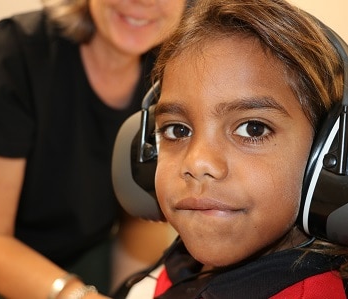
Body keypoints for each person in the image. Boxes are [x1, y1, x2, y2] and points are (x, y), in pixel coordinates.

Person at [0, 0, 190, 298]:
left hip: (80, 249)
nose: (142, 2)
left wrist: (133, 291)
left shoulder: (168, 67)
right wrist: (78, 295)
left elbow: (141, 213)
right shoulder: (17, 52)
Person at [112, 0, 348, 298]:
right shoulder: (180, 268)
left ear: (328, 157)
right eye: (177, 130)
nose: (198, 162)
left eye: (253, 129)